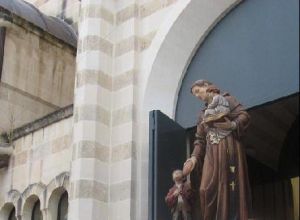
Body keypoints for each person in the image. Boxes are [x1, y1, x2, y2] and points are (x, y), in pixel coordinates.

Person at [182, 80, 251, 220]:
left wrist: (232, 125)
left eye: (198, 91)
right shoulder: (202, 114)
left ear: (207, 86)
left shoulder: (227, 99)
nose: (197, 96)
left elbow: (244, 115)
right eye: (194, 94)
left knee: (228, 185)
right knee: (204, 189)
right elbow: (200, 139)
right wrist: (193, 158)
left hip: (228, 146)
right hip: (211, 152)